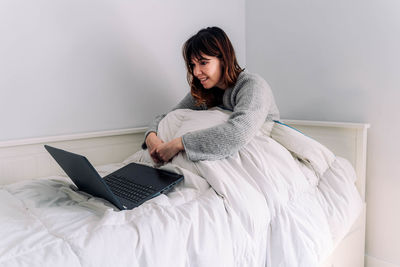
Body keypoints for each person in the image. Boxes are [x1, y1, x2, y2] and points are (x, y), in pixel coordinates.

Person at [143, 26, 279, 164]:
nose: (196, 72)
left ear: (224, 60)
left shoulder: (253, 85)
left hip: (262, 153)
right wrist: (150, 137)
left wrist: (179, 144)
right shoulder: (204, 91)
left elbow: (238, 133)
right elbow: (168, 116)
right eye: (193, 64)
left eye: (203, 63)